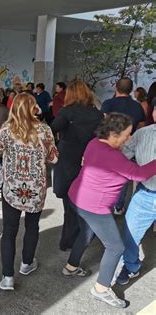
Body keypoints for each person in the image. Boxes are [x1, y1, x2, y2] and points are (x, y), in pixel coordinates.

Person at [63, 113, 156, 308]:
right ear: (114, 134)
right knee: (115, 247)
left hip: (77, 197)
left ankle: (70, 267)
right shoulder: (113, 156)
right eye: (127, 134)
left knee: (86, 234)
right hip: (93, 206)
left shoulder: (95, 143)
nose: (129, 138)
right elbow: (140, 173)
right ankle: (101, 289)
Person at [0, 93, 58, 291]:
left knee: (9, 232)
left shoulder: (7, 129)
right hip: (35, 191)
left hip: (12, 189)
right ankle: (27, 264)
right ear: (33, 108)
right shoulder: (44, 130)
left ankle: (7, 277)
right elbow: (54, 158)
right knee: (32, 227)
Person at [50, 80, 104, 251]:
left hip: (68, 161)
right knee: (87, 201)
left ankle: (67, 242)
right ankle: (85, 236)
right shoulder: (97, 113)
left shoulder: (67, 112)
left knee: (70, 204)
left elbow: (51, 129)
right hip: (90, 161)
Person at [116, 105, 156, 286]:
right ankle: (131, 266)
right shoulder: (142, 134)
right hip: (146, 195)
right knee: (130, 234)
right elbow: (123, 156)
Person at [101, 77, 146, 214]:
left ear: (116, 88)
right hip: (129, 145)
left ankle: (105, 203)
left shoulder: (108, 104)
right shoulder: (137, 106)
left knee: (106, 174)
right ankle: (118, 206)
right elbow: (141, 126)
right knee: (123, 176)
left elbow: (103, 123)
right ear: (132, 90)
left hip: (110, 143)